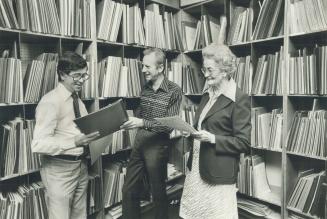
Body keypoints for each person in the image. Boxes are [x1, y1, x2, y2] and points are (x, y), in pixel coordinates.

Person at [179, 43, 251, 219]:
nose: (205, 74)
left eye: (210, 70)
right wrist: (190, 132)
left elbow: (243, 143)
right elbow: (202, 126)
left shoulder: (239, 99)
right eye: (204, 70)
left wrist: (212, 139)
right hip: (196, 169)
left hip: (218, 175)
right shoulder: (207, 94)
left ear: (225, 70)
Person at [31, 51, 100, 219]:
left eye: (85, 75)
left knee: (79, 215)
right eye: (77, 76)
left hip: (80, 166)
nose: (82, 81)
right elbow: (38, 144)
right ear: (62, 74)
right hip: (59, 170)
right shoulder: (50, 102)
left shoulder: (77, 100)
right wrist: (74, 142)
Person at [120, 48, 182, 219]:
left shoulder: (174, 91)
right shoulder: (145, 88)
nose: (143, 70)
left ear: (161, 68)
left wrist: (141, 123)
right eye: (142, 66)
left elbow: (169, 126)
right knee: (129, 189)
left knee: (158, 191)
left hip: (158, 144)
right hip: (140, 141)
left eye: (147, 66)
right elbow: (141, 115)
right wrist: (128, 120)